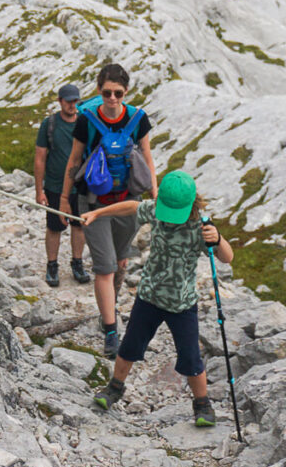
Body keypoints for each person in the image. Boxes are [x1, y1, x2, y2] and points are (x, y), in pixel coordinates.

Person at [83, 170, 233, 427]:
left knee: (190, 357)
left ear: (192, 204)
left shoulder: (201, 226)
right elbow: (132, 206)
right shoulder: (155, 210)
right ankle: (114, 388)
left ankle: (202, 404)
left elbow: (227, 257)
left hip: (182, 305)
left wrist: (217, 239)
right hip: (149, 297)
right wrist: (98, 213)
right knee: (130, 346)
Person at [60, 64, 157, 358]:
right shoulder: (86, 121)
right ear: (99, 90)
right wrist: (64, 199)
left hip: (129, 203)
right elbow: (74, 160)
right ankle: (111, 330)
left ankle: (110, 308)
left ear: (126, 92)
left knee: (120, 263)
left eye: (118, 93)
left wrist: (155, 197)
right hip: (93, 204)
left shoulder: (138, 119)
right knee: (105, 266)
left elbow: (148, 158)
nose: (112, 98)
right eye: (106, 93)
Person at [35, 83, 91, 287]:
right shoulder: (49, 124)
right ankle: (52, 265)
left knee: (79, 225)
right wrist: (39, 190)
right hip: (55, 186)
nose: (72, 105)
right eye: (68, 101)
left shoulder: (84, 122)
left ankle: (77, 263)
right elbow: (40, 157)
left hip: (80, 185)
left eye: (75, 100)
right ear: (60, 101)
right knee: (54, 227)